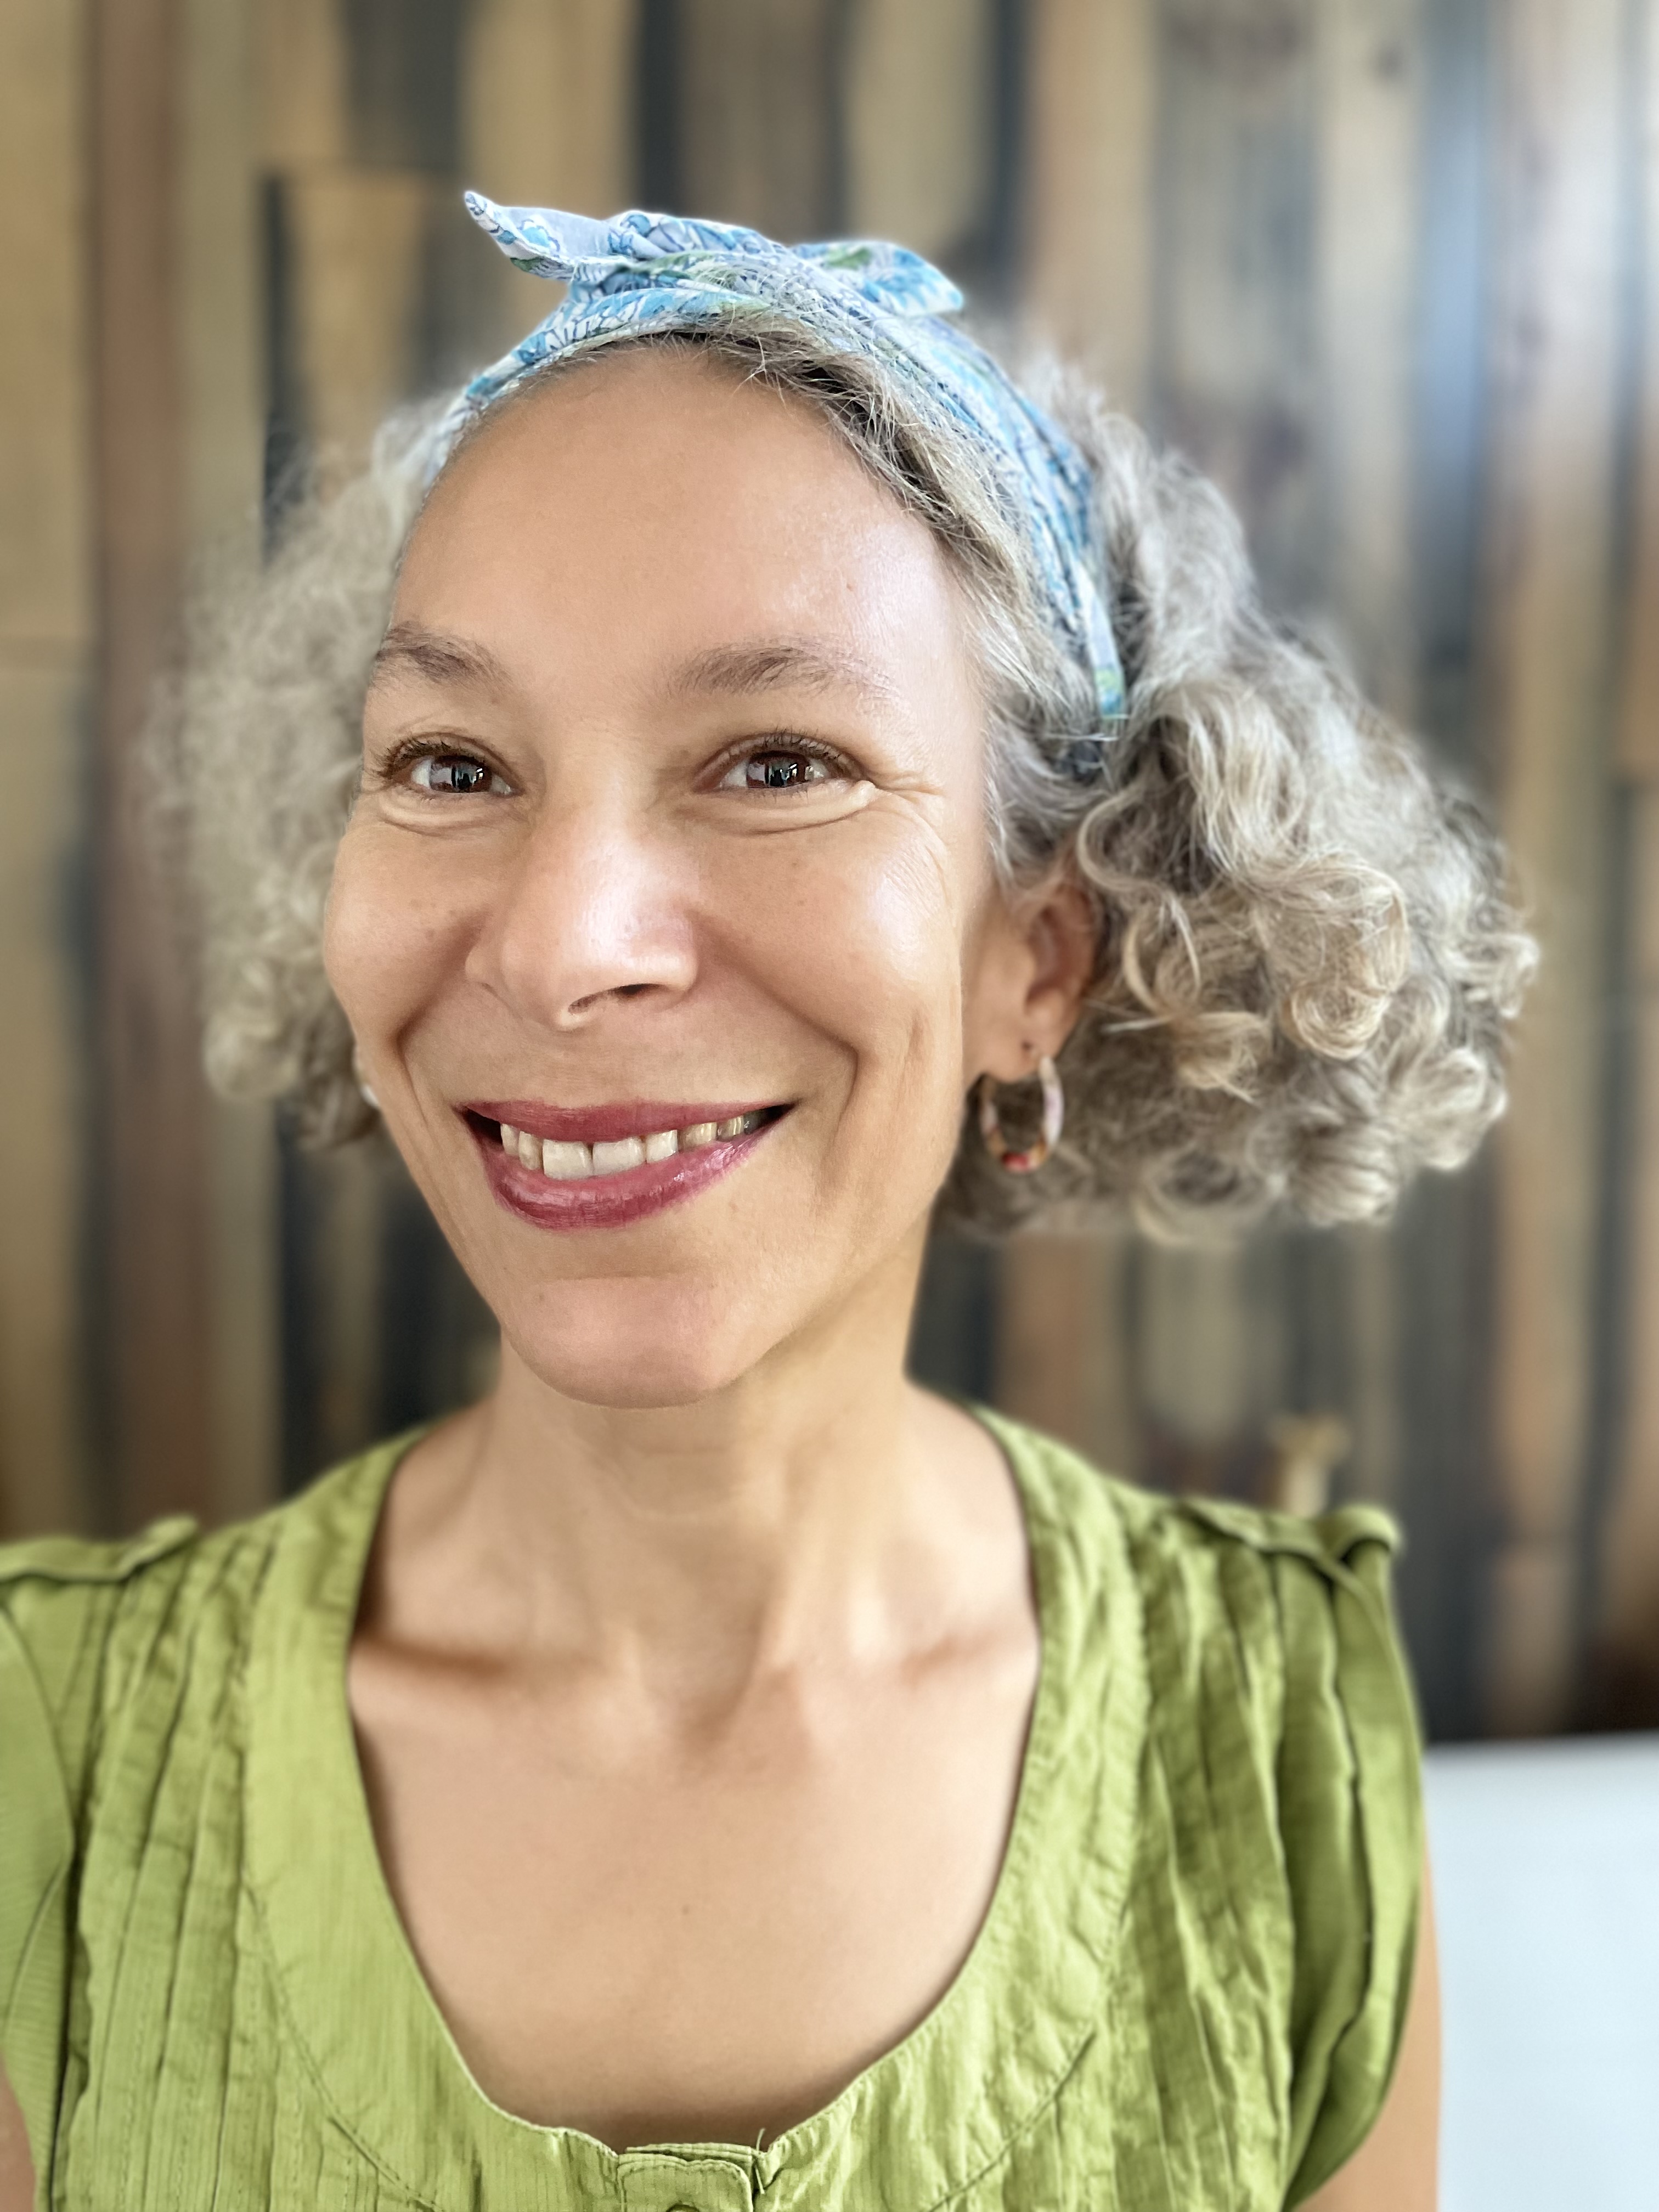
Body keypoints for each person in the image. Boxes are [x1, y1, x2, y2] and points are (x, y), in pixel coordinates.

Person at [0, 199, 1531, 2211]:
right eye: (451, 766)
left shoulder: (1284, 1757)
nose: (567, 947)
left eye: (781, 761)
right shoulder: (47, 1769)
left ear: (1038, 957)